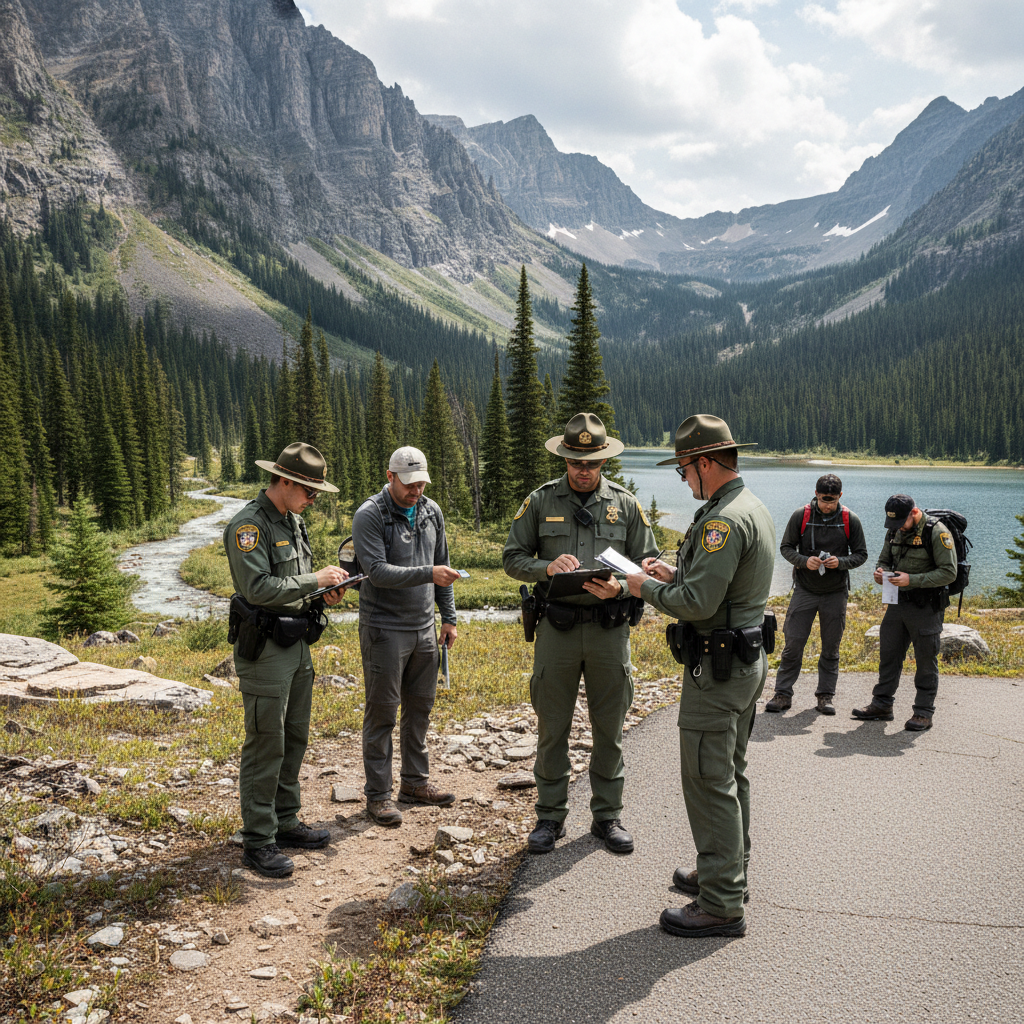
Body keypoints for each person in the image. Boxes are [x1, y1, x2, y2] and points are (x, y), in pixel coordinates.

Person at [624, 414, 774, 938]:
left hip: (719, 668)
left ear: (705, 463)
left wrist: (639, 586)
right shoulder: (744, 506)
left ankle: (722, 903)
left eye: (685, 469)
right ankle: (726, 874)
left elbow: (698, 603)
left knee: (710, 782)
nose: (683, 479)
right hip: (742, 661)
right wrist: (672, 572)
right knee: (731, 773)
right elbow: (715, 586)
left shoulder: (720, 522)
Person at [503, 413, 657, 856]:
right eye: (575, 461)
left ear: (603, 460)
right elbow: (512, 556)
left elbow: (647, 565)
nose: (583, 469)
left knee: (609, 728)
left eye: (591, 462)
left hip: (610, 631)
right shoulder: (540, 501)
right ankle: (550, 816)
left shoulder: (625, 505)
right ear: (565, 458)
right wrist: (545, 567)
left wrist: (620, 586)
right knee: (553, 727)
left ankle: (607, 816)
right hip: (558, 629)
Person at [224, 442, 348, 879]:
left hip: (296, 643)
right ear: (285, 481)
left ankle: (286, 819)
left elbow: (293, 584)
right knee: (265, 741)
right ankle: (258, 840)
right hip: (265, 648)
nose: (314, 501)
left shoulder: (294, 522)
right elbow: (258, 588)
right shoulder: (249, 527)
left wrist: (323, 592)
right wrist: (314, 578)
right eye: (310, 492)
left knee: (294, 736)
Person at [353, 446, 461, 827]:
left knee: (420, 709)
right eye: (409, 483)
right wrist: (428, 574)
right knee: (382, 713)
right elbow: (377, 572)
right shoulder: (370, 515)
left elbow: (443, 566)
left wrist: (447, 617)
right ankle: (378, 795)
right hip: (384, 628)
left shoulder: (432, 512)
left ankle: (415, 783)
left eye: (421, 483)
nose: (416, 490)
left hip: (424, 629)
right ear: (390, 476)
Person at [852, 494, 957, 731]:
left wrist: (913, 579)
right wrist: (882, 573)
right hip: (897, 604)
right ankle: (882, 705)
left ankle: (923, 712)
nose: (897, 527)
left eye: (902, 521)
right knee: (888, 655)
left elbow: (949, 573)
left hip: (926, 607)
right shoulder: (894, 530)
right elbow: (883, 560)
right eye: (893, 523)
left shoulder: (937, 532)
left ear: (914, 512)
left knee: (925, 660)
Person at [766, 473, 867, 715]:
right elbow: (785, 548)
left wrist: (840, 562)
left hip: (835, 592)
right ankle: (782, 694)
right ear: (815, 493)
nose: (827, 504)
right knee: (793, 643)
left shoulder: (849, 519)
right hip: (805, 590)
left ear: (840, 496)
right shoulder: (801, 516)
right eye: (823, 499)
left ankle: (825, 696)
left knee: (831, 647)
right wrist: (803, 561)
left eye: (832, 500)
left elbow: (861, 554)